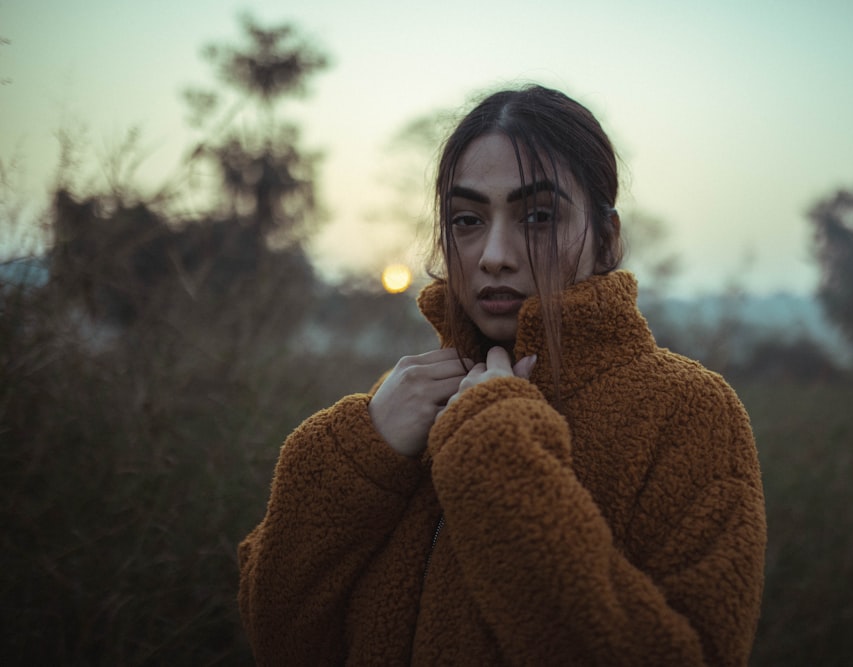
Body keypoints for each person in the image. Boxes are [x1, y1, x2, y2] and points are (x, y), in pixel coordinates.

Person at [238, 84, 766, 666]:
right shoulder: (403, 413)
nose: (494, 254)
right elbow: (280, 642)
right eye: (466, 219)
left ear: (608, 238)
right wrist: (357, 453)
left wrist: (493, 450)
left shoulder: (686, 412)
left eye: (538, 216)